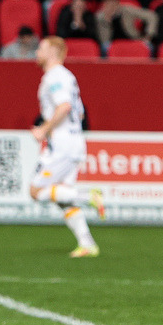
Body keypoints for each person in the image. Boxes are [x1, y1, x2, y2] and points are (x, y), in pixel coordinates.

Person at [29, 36, 105, 258]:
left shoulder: (55, 76)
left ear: (53, 51)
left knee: (36, 191)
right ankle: (87, 244)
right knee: (64, 199)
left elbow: (64, 106)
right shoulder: (67, 77)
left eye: (41, 48)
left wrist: (44, 129)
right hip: (73, 141)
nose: (36, 52)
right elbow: (78, 113)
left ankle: (88, 196)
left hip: (62, 144)